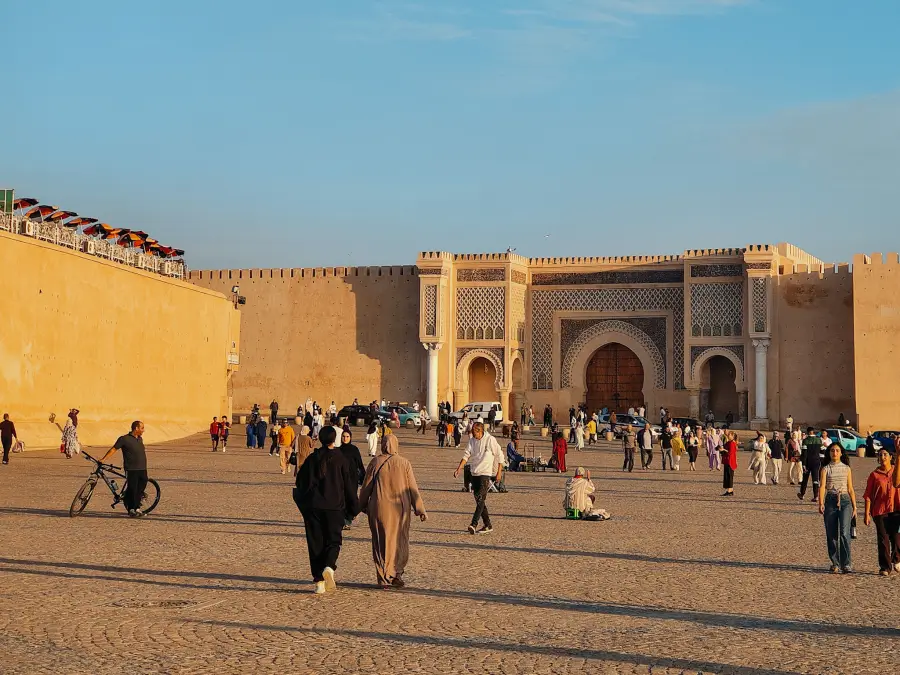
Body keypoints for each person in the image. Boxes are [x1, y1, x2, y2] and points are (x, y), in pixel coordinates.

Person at [293, 427, 359, 594]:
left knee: (315, 543)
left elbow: (301, 481)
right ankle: (329, 567)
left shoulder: (313, 458)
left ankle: (319, 582)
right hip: (334, 508)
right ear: (334, 439)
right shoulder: (341, 459)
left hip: (314, 507)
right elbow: (349, 486)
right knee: (333, 541)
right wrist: (354, 507)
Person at [359, 433, 427, 589]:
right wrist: (420, 509)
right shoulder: (404, 463)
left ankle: (383, 577)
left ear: (383, 445)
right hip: (400, 510)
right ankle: (397, 573)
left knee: (381, 542)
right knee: (399, 541)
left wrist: (360, 505)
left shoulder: (375, 462)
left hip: (379, 508)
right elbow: (412, 488)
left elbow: (366, 487)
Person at [453, 422, 504, 535]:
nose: (474, 436)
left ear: (480, 431)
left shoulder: (490, 440)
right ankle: (488, 524)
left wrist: (499, 472)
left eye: (475, 433)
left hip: (485, 474)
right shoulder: (472, 441)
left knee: (481, 499)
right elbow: (466, 455)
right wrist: (459, 469)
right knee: (479, 501)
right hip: (474, 473)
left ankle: (473, 524)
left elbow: (500, 456)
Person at [818, 443, 857, 573]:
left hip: (845, 500)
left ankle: (846, 563)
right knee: (831, 534)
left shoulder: (846, 468)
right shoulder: (825, 469)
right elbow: (822, 486)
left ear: (841, 453)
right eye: (832, 450)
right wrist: (821, 503)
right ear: (829, 453)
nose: (835, 453)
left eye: (837, 450)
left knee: (844, 533)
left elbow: (850, 488)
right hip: (830, 500)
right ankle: (835, 562)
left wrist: (855, 506)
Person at [99, 421, 149, 517]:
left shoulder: (140, 439)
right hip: (131, 469)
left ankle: (137, 507)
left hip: (142, 468)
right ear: (136, 428)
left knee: (140, 488)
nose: (144, 430)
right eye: (142, 428)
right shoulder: (124, 439)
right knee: (132, 489)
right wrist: (103, 459)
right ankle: (131, 509)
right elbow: (113, 449)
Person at [863, 448, 900, 576]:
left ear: (890, 457)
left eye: (885, 454)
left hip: (896, 508)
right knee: (883, 538)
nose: (883, 457)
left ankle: (897, 559)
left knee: (896, 536)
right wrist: (867, 513)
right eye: (880, 455)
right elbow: (868, 495)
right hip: (880, 510)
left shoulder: (897, 470)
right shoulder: (874, 475)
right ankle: (885, 567)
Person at [339, 430, 366, 528]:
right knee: (342, 499)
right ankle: (345, 521)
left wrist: (364, 476)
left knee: (351, 498)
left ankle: (350, 516)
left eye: (347, 436)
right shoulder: (338, 450)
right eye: (343, 436)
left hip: (352, 479)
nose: (345, 438)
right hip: (341, 478)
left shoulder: (354, 450)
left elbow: (359, 464)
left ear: (350, 437)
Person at [799, 427, 823, 501]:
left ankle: (802, 494)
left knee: (805, 479)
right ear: (813, 432)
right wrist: (821, 461)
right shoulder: (819, 440)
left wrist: (803, 464)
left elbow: (804, 454)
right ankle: (816, 496)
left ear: (808, 432)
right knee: (815, 479)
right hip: (816, 462)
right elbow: (822, 452)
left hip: (808, 462)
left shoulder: (805, 440)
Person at [721, 430, 737, 497]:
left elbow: (730, 452)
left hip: (730, 461)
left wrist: (724, 450)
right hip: (726, 460)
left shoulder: (732, 443)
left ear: (732, 436)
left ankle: (730, 490)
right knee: (727, 476)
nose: (728, 435)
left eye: (730, 435)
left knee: (730, 476)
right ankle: (730, 489)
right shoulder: (728, 442)